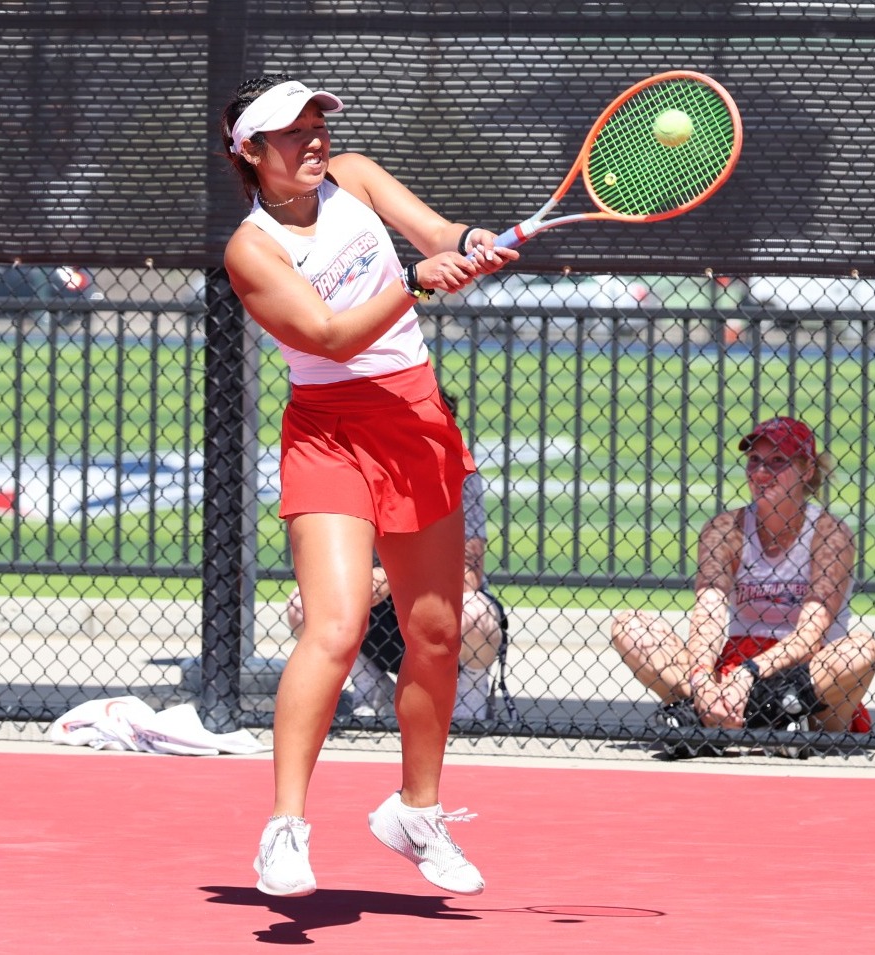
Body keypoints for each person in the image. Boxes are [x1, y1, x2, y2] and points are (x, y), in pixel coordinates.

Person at [219, 73, 518, 898]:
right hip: (329, 429)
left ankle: (416, 814)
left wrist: (470, 241)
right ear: (250, 152)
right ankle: (284, 827)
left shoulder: (356, 175)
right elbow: (328, 336)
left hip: (416, 417)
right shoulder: (253, 250)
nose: (313, 139)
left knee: (436, 632)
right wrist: (418, 282)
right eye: (291, 132)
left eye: (317, 123)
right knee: (337, 625)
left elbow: (434, 231)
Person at [608, 416, 875, 759]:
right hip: (734, 667)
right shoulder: (724, 529)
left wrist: (750, 675)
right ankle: (722, 715)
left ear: (806, 470)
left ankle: (748, 721)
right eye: (754, 460)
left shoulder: (830, 534)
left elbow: (811, 635)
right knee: (630, 625)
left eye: (778, 461)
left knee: (860, 651)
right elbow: (707, 613)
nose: (761, 472)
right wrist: (703, 679)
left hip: (806, 677)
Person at [282, 392, 507, 725]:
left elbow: (469, 576)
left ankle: (471, 694)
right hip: (375, 612)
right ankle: (370, 688)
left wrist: (389, 576)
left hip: (440, 603)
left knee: (476, 614)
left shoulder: (460, 475)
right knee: (304, 604)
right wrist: (363, 583)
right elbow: (328, 569)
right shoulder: (356, 473)